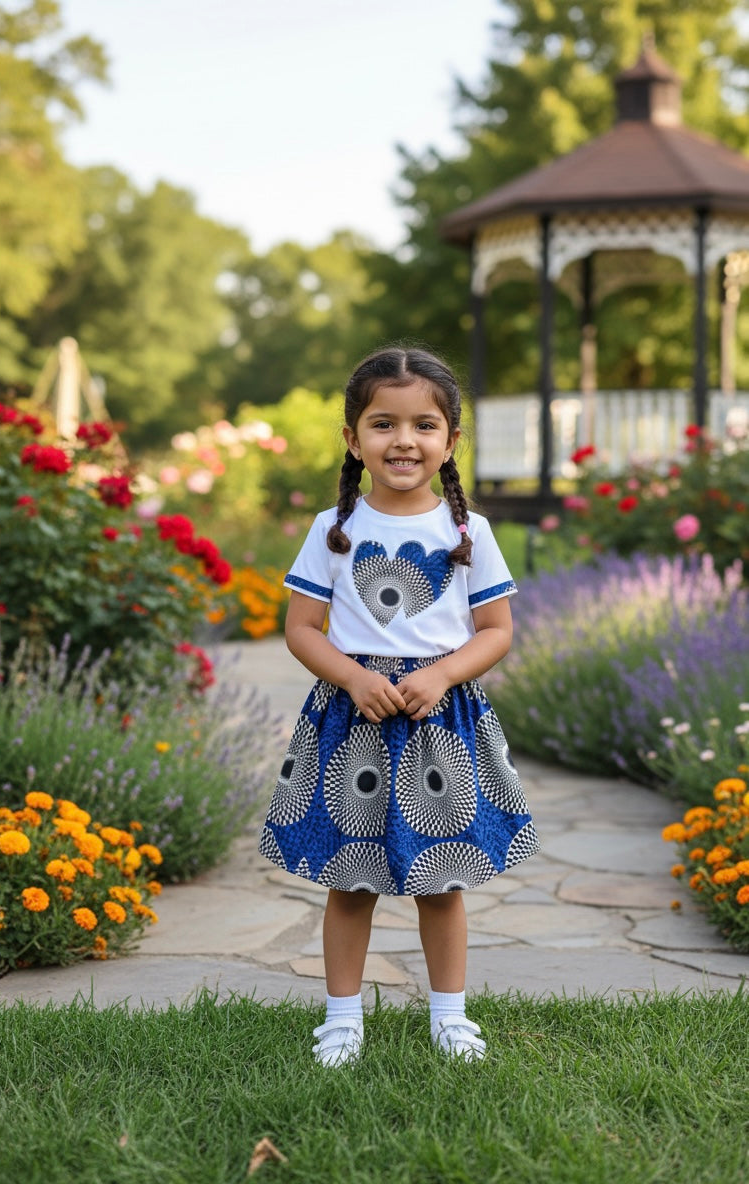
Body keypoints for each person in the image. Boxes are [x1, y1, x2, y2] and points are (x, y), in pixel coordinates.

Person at [258, 346, 539, 1066]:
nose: (404, 440)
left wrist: (444, 674)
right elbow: (300, 628)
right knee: (351, 880)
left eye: (424, 425)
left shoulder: (467, 533)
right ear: (354, 439)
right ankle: (343, 1018)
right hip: (356, 724)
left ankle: (450, 1017)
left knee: (438, 882)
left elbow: (497, 632)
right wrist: (352, 678)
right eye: (383, 424)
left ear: (449, 441)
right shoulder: (332, 528)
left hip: (437, 727)